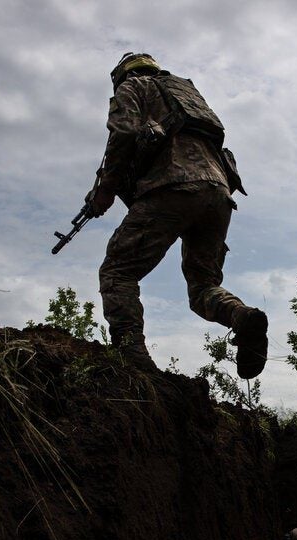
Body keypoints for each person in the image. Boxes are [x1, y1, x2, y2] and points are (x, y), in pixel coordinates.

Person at [87, 52, 268, 378]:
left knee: (118, 272)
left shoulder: (134, 87)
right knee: (203, 289)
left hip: (170, 187)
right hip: (218, 193)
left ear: (121, 75)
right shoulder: (185, 94)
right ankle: (241, 316)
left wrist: (105, 188)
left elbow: (124, 133)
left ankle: (132, 358)